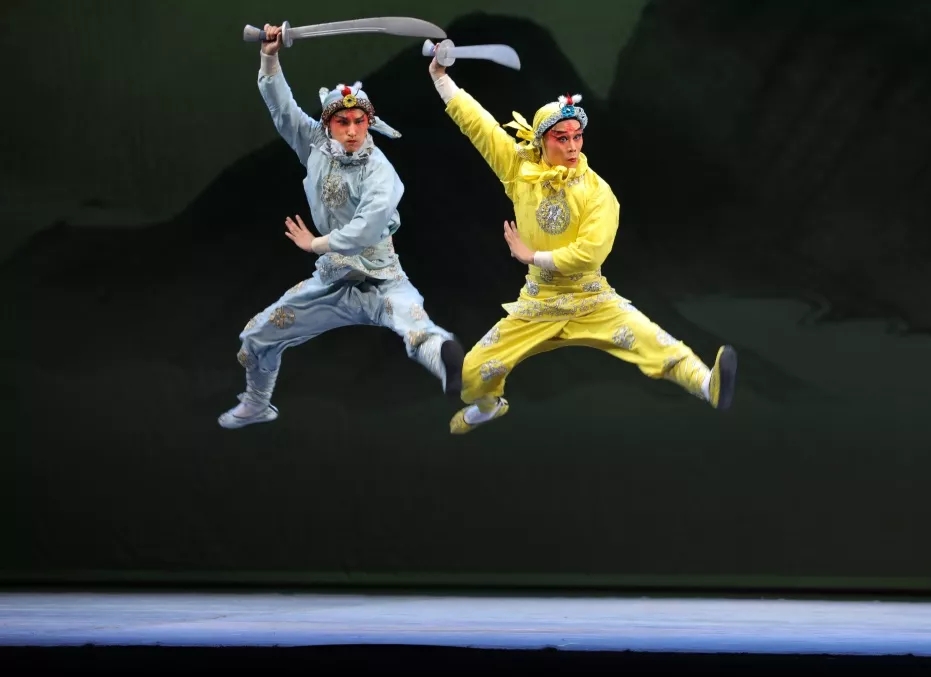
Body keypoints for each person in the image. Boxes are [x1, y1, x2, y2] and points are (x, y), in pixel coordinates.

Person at [426, 51, 737, 434]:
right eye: (562, 138)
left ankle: (708, 385)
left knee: (652, 340)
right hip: (537, 304)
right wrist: (440, 76)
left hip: (590, 299)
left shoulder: (597, 192)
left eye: (577, 137)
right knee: (472, 376)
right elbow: (479, 125)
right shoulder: (520, 170)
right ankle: (489, 408)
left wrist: (531, 255)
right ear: (541, 141)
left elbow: (589, 253)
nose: (573, 146)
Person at [218, 24, 465, 430]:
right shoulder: (315, 145)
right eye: (342, 122)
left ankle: (449, 366)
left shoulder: (380, 171)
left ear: (369, 123)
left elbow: (366, 228)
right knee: (260, 333)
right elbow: (283, 110)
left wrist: (315, 243)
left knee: (416, 325)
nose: (351, 131)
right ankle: (258, 403)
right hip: (331, 283)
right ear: (328, 124)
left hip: (381, 279)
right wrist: (270, 56)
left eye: (358, 122)